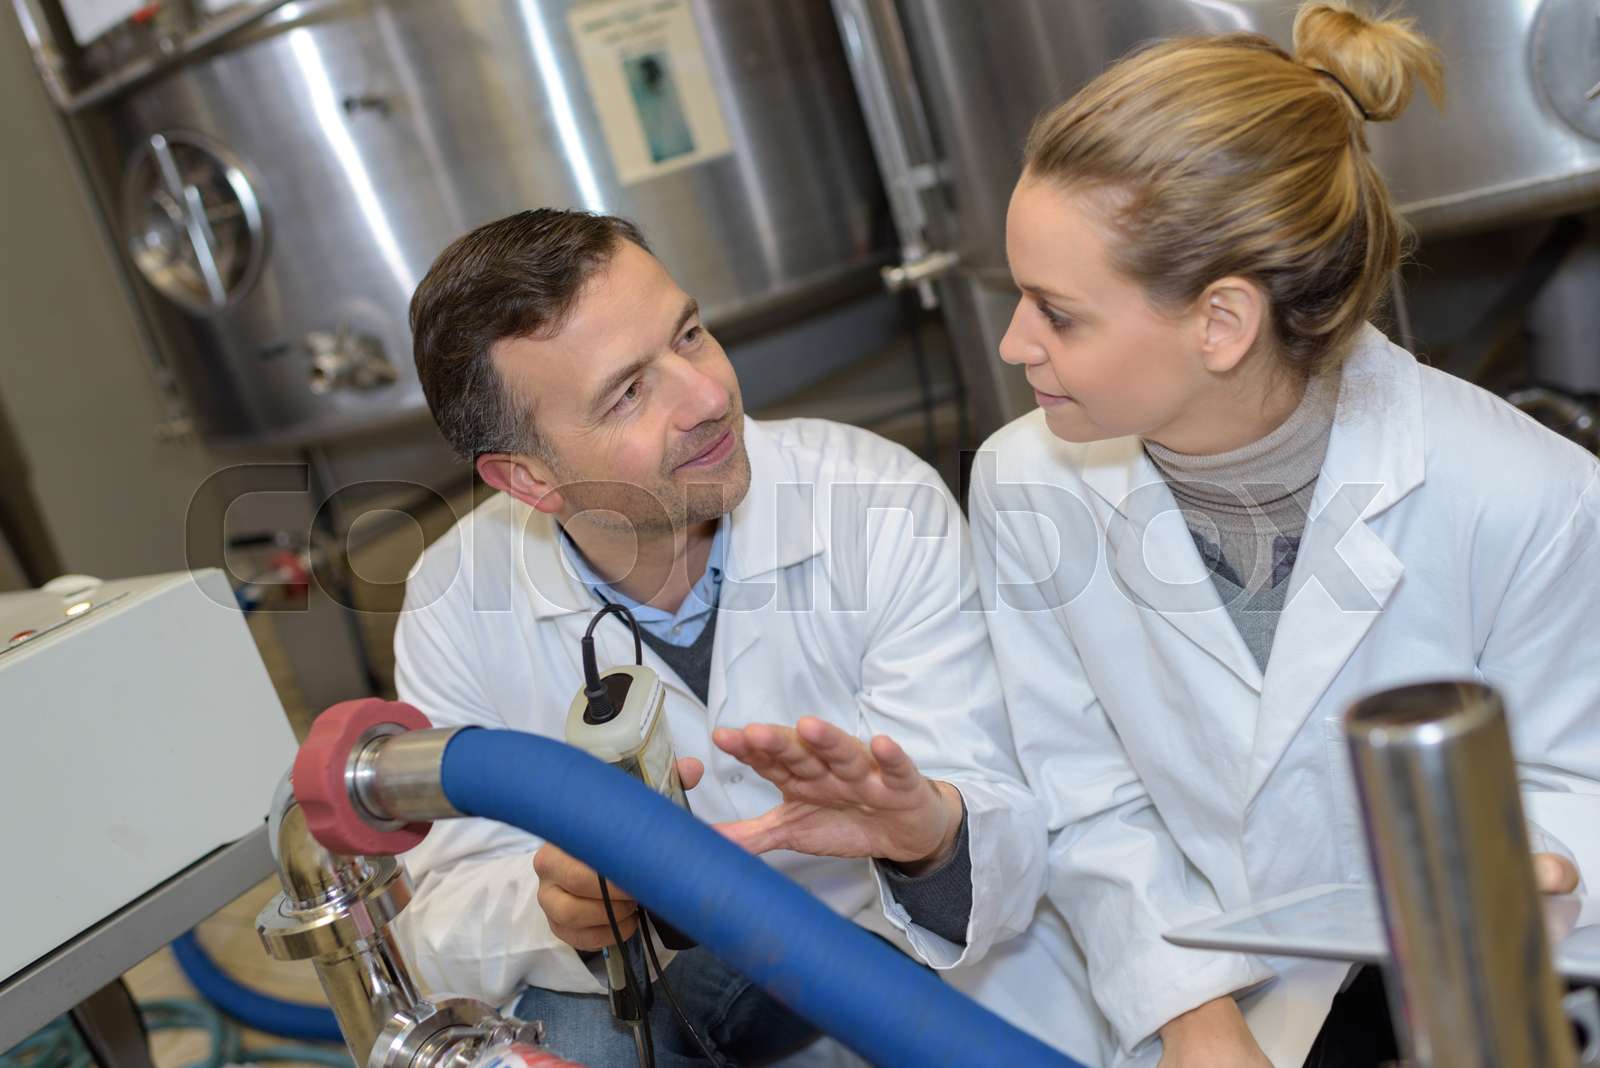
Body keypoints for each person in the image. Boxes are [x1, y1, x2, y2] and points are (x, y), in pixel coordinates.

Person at [967, 4, 1600, 1066]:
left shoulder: (1525, 493)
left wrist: (1537, 862)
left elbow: (1583, 779)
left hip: (1491, 999)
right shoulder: (1024, 479)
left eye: (1056, 311)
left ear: (1221, 322)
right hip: (1204, 1004)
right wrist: (1195, 1019)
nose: (1012, 340)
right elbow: (1082, 789)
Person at [390, 209, 1044, 1066]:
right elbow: (442, 913)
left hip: (891, 956)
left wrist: (925, 835)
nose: (708, 396)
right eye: (628, 393)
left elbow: (1004, 820)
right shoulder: (451, 602)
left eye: (690, 334)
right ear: (528, 477)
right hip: (643, 985)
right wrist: (551, 905)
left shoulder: (877, 500)